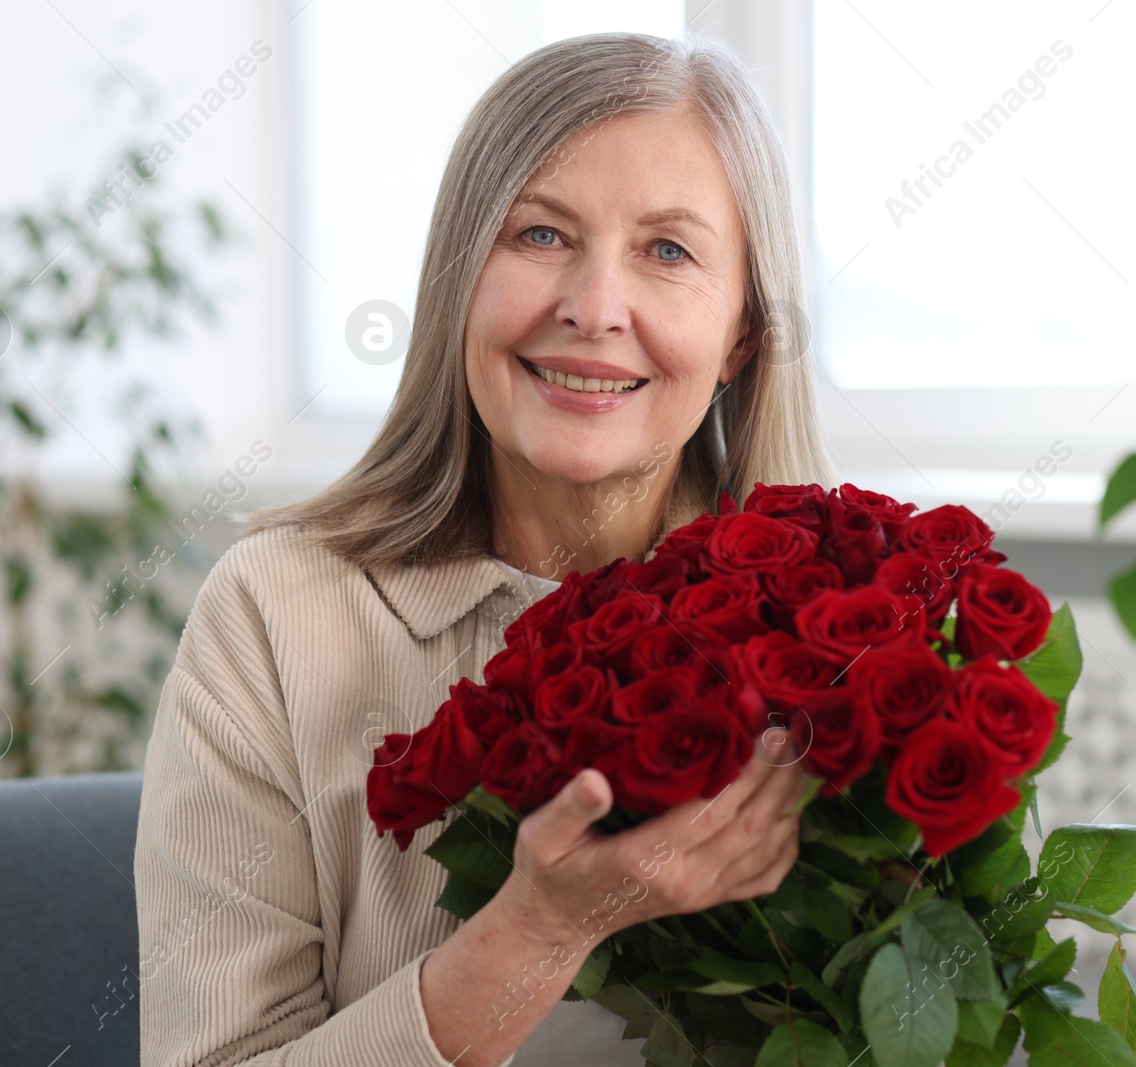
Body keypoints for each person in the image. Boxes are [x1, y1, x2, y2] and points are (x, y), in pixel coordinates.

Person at [134, 29, 836, 1067]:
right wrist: (537, 931)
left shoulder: (839, 622)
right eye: (541, 235)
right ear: (458, 278)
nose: (592, 308)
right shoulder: (272, 612)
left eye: (668, 251)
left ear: (741, 334)